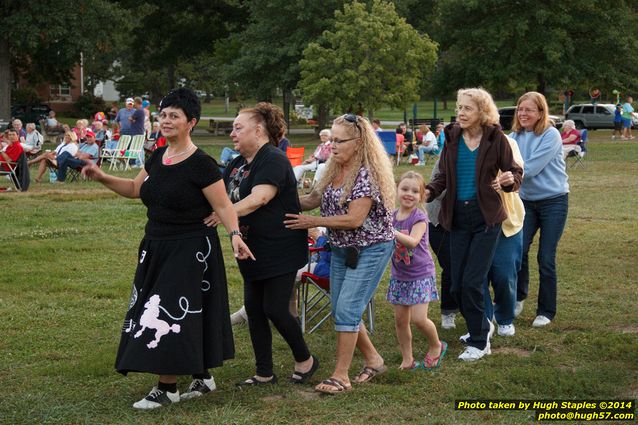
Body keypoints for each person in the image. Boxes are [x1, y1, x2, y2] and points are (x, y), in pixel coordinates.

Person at [81, 88, 253, 410]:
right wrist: (102, 176)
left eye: (174, 116)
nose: (166, 121)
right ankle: (202, 377)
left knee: (168, 312)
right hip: (156, 246)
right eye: (163, 115)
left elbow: (224, 205)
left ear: (191, 122)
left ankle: (167, 388)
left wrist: (234, 235)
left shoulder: (201, 164)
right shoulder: (158, 156)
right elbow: (135, 189)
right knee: (182, 313)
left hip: (189, 249)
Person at [205, 102, 318, 388]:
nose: (232, 133)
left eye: (238, 127)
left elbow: (260, 198)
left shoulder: (273, 160)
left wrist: (223, 215)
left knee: (275, 309)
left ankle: (305, 359)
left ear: (259, 130)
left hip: (279, 246)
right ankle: (264, 372)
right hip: (249, 246)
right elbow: (218, 194)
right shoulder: (237, 163)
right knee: (254, 310)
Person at [284, 113, 396, 394]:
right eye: (331, 139)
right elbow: (312, 200)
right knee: (340, 308)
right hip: (341, 248)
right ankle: (374, 359)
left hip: (371, 248)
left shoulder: (367, 174)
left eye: (339, 140)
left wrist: (313, 223)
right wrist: (276, 201)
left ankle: (340, 375)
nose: (331, 145)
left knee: (346, 308)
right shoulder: (333, 168)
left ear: (358, 142)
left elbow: (354, 219)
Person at [425, 88, 523, 362]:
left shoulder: (496, 138)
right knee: (457, 284)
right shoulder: (452, 136)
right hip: (456, 219)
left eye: (467, 108)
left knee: (472, 281)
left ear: (482, 111)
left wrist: (508, 180)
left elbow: (515, 172)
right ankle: (482, 325)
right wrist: (429, 192)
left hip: (486, 219)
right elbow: (443, 176)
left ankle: (480, 342)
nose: (460, 113)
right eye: (459, 107)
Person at [509, 91, 569, 328]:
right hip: (526, 202)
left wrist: (506, 176)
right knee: (518, 251)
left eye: (529, 110)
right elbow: (502, 157)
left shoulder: (551, 134)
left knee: (545, 257)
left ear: (540, 112)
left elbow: (530, 168)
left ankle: (546, 311)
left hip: (554, 201)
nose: (523, 114)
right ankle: (518, 296)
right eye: (520, 109)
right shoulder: (515, 135)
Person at [389, 171, 446, 370]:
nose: (409, 194)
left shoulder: (419, 217)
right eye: (404, 189)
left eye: (415, 191)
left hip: (420, 275)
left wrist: (390, 231)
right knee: (400, 321)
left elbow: (413, 242)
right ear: (397, 190)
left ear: (422, 196)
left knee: (419, 319)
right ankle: (407, 359)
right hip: (399, 276)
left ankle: (436, 345)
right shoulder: (392, 217)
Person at [425, 160, 456, 330]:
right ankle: (448, 311)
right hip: (440, 222)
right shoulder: (447, 154)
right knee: (451, 265)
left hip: (470, 221)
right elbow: (437, 189)